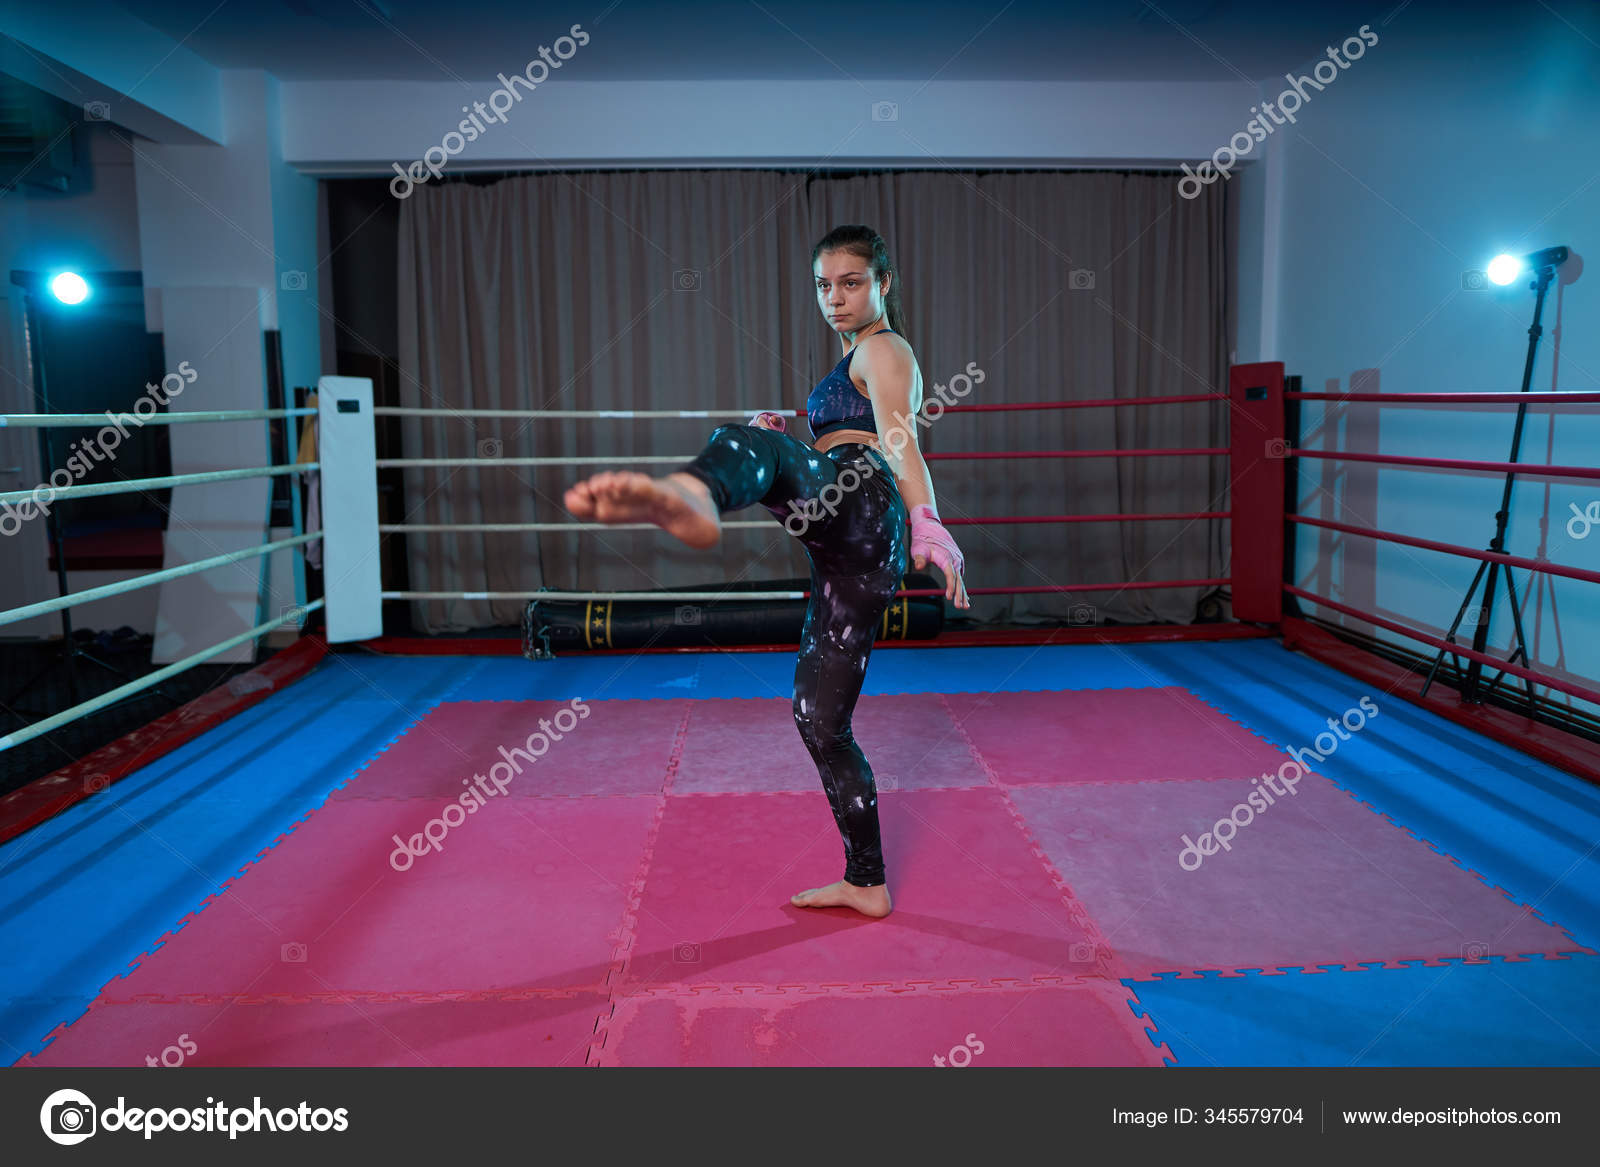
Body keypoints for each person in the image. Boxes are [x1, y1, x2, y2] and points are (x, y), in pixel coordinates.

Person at [563, 224, 969, 919]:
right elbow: (851, 437)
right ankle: (866, 881)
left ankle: (697, 490)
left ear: (883, 284)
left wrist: (928, 519)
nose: (835, 298)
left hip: (863, 504)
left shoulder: (884, 347)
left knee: (741, 441)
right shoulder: (855, 358)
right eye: (823, 285)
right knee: (820, 719)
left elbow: (898, 436)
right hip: (851, 550)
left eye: (851, 283)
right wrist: (790, 446)